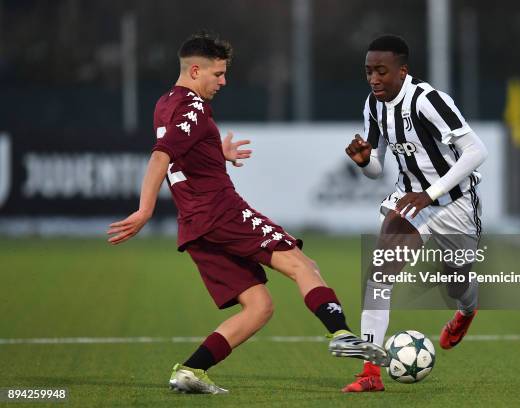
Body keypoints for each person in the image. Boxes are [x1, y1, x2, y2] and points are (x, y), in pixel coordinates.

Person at [107, 30, 386, 395]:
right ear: (194, 71)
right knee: (302, 264)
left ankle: (190, 370)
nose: (223, 82)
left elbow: (178, 148)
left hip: (194, 225)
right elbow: (162, 155)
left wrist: (213, 152)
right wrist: (145, 210)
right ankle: (341, 334)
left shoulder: (165, 103)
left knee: (259, 306)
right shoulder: (193, 105)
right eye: (217, 74)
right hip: (221, 212)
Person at [342, 35, 488, 392]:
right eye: (368, 72)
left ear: (402, 70)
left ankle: (467, 311)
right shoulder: (374, 106)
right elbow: (377, 168)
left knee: (457, 282)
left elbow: (476, 151)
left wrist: (432, 193)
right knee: (379, 273)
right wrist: (365, 162)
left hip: (455, 204)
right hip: (409, 202)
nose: (374, 79)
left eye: (381, 71)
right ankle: (370, 373)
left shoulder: (428, 100)